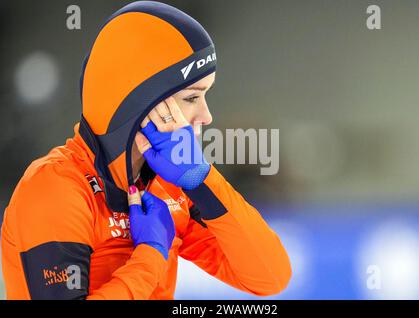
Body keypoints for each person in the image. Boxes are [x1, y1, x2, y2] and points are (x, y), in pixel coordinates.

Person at [1, 1, 291, 300]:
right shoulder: (56, 188)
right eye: (192, 97)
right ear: (140, 101)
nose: (206, 116)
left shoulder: (169, 187)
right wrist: (151, 256)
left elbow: (271, 277)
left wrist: (201, 180)